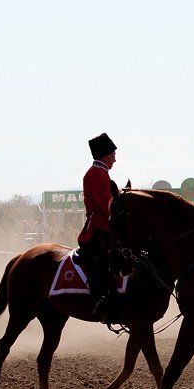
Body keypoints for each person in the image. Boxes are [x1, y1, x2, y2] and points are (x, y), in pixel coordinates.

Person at [77, 132, 119, 319]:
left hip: (104, 224)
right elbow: (105, 204)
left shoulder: (101, 173)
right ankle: (97, 300)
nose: (115, 160)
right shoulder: (96, 173)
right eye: (114, 155)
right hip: (98, 227)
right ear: (107, 155)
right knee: (102, 259)